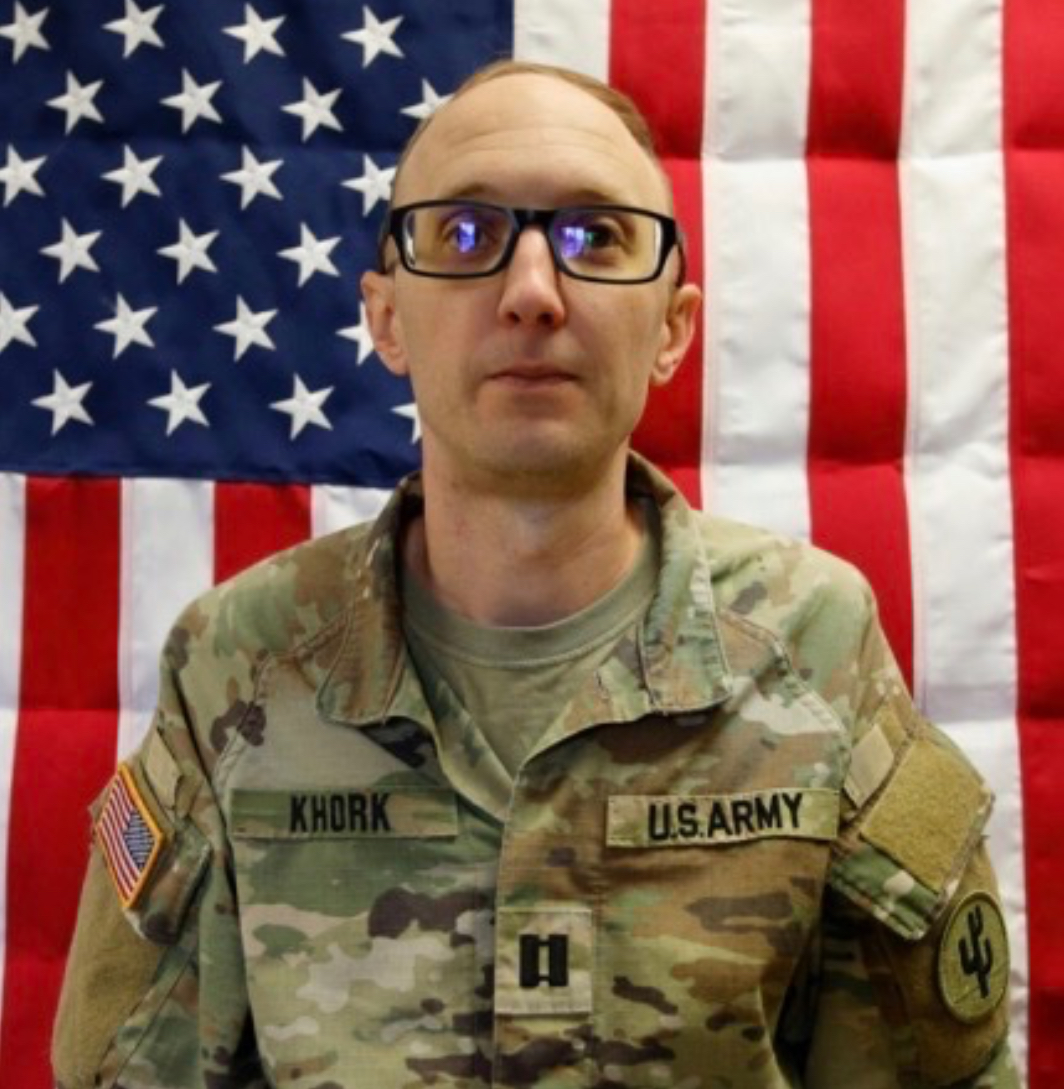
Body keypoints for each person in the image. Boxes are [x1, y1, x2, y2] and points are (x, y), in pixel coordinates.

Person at [53, 60, 1017, 1089]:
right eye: (464, 235)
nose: (530, 293)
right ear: (385, 317)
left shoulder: (813, 647)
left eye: (594, 238)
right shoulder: (238, 666)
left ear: (673, 327)